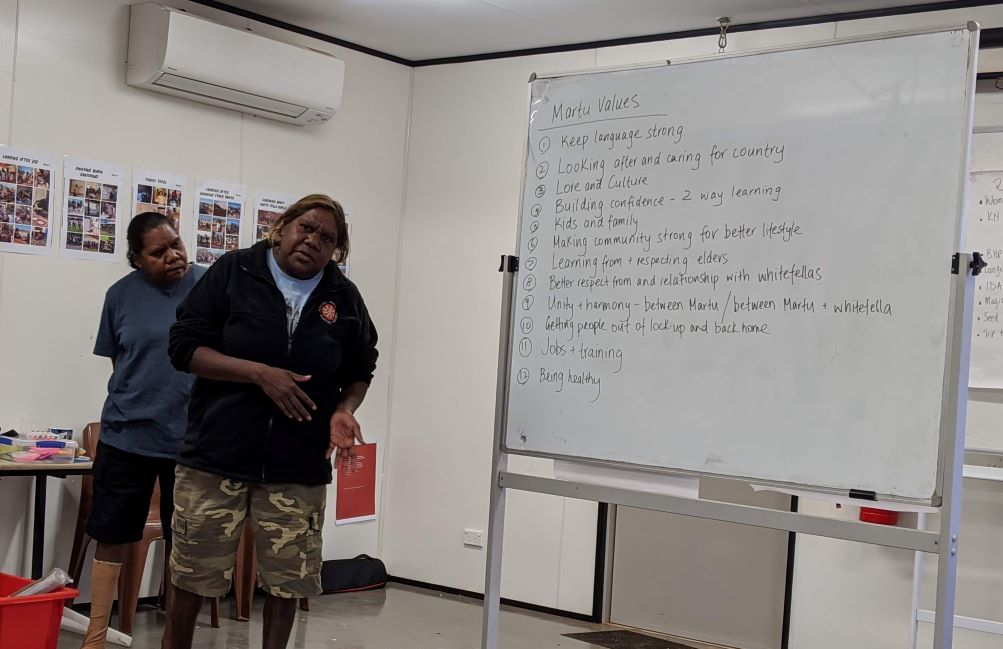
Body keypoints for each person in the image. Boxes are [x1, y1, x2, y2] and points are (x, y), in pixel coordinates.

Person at [165, 194, 378, 649]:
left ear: (336, 251)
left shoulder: (343, 297)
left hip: (296, 468)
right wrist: (260, 374)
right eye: (306, 228)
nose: (313, 241)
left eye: (328, 238)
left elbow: (362, 367)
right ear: (281, 227)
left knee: (288, 583)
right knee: (192, 579)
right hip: (215, 458)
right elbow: (184, 347)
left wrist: (345, 410)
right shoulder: (234, 272)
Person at [81, 213, 204, 649]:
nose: (173, 256)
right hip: (126, 437)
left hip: (191, 441)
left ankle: (175, 636)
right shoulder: (120, 296)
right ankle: (95, 634)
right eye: (158, 252)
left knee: (185, 543)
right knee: (113, 535)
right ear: (136, 259)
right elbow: (121, 363)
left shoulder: (208, 287)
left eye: (176, 244)